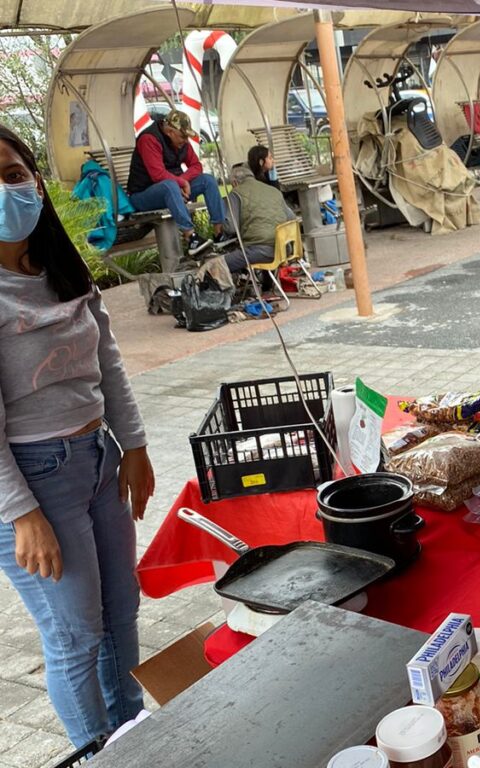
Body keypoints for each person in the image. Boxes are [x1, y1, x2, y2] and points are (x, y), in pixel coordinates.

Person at [0, 125, 154, 749]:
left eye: (11, 174)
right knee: (74, 635)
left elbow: (107, 363)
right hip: (33, 481)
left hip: (97, 458)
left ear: (35, 180)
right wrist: (21, 514)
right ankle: (98, 754)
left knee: (121, 612)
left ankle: (135, 738)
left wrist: (135, 445)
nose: (6, 189)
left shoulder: (61, 267)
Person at [126, 110, 228, 257]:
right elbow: (158, 175)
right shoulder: (149, 139)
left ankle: (219, 233)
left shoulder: (181, 142)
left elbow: (196, 165)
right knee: (169, 186)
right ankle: (191, 238)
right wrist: (180, 182)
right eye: (182, 136)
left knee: (208, 180)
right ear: (169, 131)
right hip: (143, 195)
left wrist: (183, 181)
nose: (186, 140)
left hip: (175, 189)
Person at [220, 163, 297, 274]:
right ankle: (266, 287)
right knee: (259, 245)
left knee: (220, 265)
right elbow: (291, 218)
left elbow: (231, 228)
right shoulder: (274, 191)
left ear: (234, 182)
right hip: (286, 249)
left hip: (262, 252)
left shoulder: (236, 193)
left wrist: (221, 226)